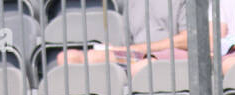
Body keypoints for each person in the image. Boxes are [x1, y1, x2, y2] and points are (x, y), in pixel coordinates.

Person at [56, 0, 190, 74]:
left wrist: (143, 49)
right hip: (134, 56)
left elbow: (189, 39)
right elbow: (128, 42)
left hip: (172, 55)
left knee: (142, 67)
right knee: (69, 58)